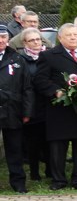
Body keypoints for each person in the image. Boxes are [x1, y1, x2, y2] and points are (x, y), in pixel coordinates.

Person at [33, 23, 77, 190]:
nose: (73, 38)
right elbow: (40, 80)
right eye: (69, 35)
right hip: (60, 110)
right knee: (58, 147)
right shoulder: (49, 56)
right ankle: (58, 180)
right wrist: (55, 91)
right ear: (60, 38)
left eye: (75, 35)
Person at [0, 24, 34, 193]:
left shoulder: (17, 59)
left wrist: (27, 112)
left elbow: (27, 88)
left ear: (8, 39)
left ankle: (18, 183)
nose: (1, 40)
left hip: (12, 110)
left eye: (3, 37)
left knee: (14, 149)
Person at [19, 28, 49, 181]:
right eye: (32, 40)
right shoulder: (21, 60)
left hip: (49, 104)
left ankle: (50, 170)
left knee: (49, 140)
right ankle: (34, 172)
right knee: (33, 141)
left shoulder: (48, 56)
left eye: (38, 39)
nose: (36, 42)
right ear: (25, 43)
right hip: (32, 106)